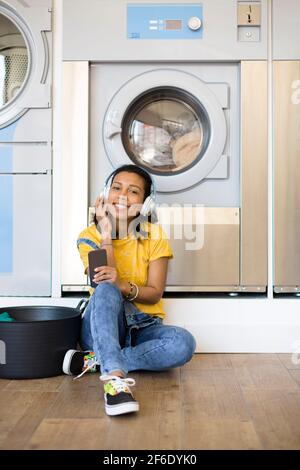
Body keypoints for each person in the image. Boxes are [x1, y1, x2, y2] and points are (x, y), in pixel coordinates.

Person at [62, 164, 196, 416]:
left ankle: (98, 360)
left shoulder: (154, 235)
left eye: (133, 192)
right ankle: (114, 381)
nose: (122, 196)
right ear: (105, 194)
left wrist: (124, 284)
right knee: (106, 288)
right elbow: (104, 281)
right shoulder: (88, 236)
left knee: (183, 343)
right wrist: (105, 234)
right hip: (101, 327)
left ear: (144, 204)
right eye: (116, 188)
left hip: (144, 326)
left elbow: (155, 292)